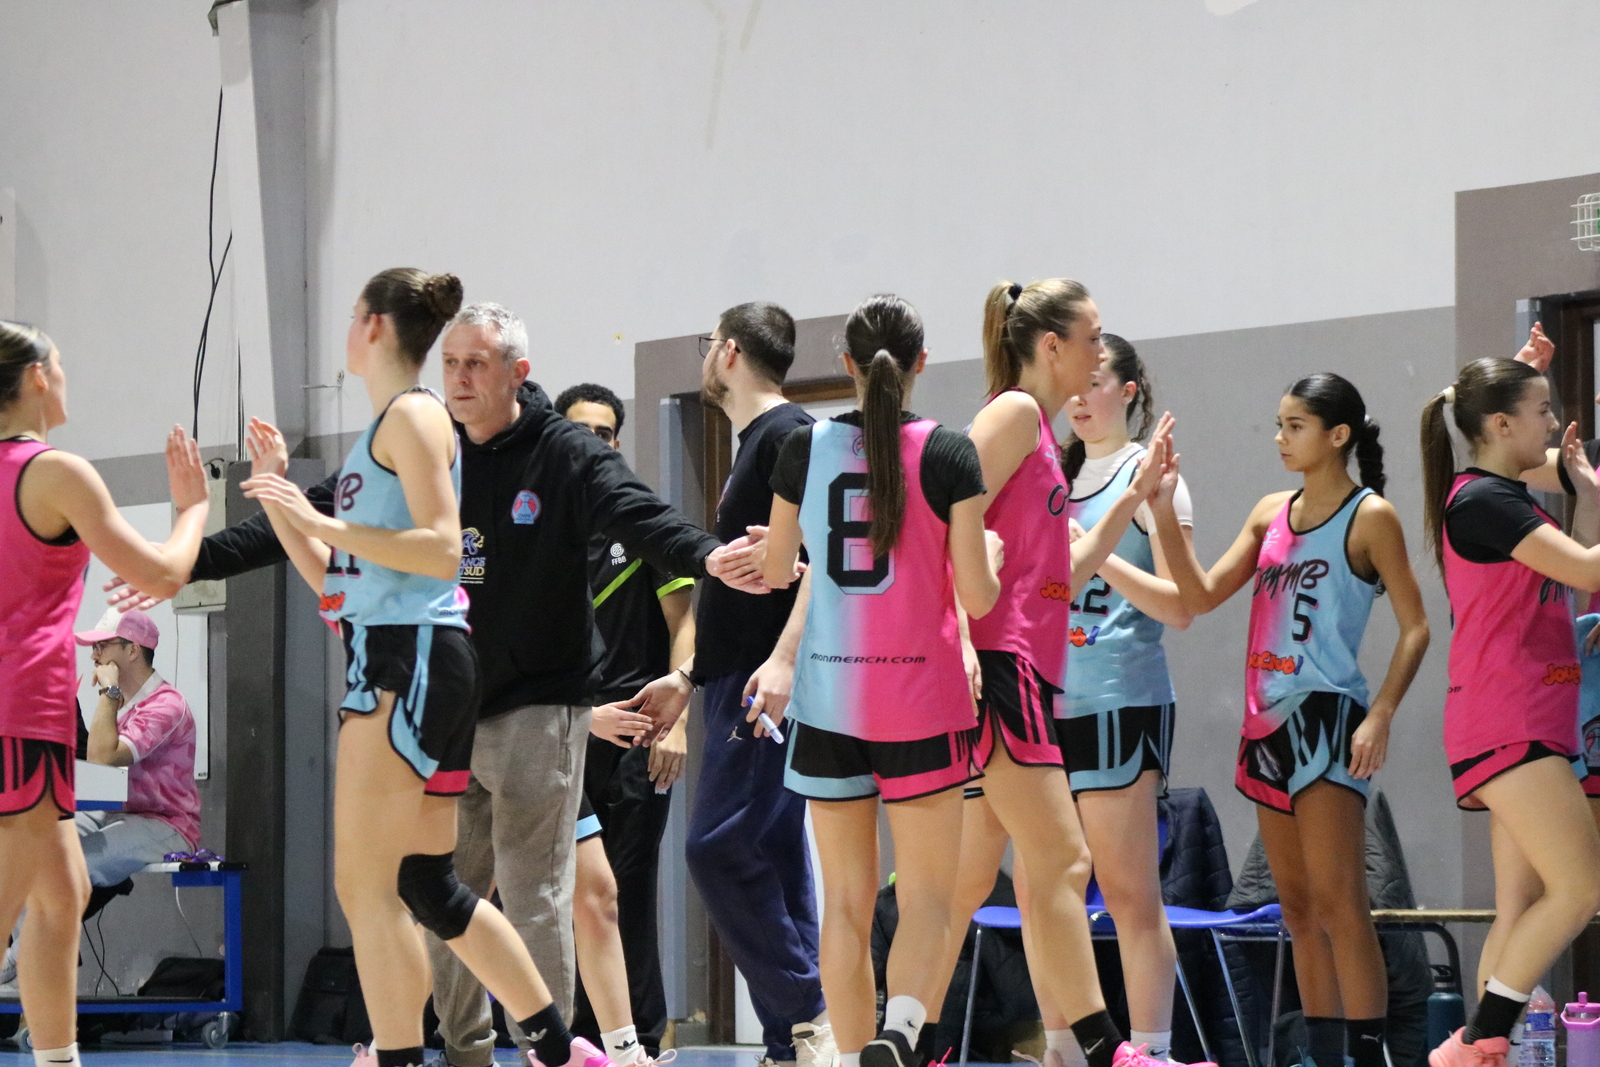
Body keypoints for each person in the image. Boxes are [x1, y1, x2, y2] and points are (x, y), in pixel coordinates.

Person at [128, 301, 761, 1067]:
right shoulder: (427, 447)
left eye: (476, 365)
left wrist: (709, 555)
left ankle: (564, 1048)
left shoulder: (562, 453)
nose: (459, 379)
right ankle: (462, 1048)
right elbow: (297, 524)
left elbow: (643, 514)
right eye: (450, 363)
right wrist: (185, 562)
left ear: (517, 374)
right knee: (439, 890)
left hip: (541, 708)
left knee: (547, 894)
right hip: (450, 706)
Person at [240, 267, 637, 1067]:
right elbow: (338, 581)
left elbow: (441, 549)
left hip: (411, 660)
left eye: (354, 315)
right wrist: (287, 507)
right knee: (426, 885)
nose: (346, 329)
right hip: (403, 654)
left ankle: (404, 1055)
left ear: (376, 326)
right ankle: (556, 1046)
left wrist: (318, 516)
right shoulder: (386, 431)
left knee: (371, 887)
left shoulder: (414, 417)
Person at [933, 279, 1184, 1067]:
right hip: (998, 667)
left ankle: (907, 1037)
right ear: (1051, 346)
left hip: (1028, 671)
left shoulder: (1044, 439)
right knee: (1064, 864)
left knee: (973, 881)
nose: (1099, 351)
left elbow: (1062, 574)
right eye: (1092, 336)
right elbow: (936, 515)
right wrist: (959, 637)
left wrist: (1132, 499)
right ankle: (1109, 1050)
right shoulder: (1012, 414)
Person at [1151, 373, 1430, 1067]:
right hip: (1263, 727)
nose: (1279, 437)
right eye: (1279, 424)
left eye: (1294, 425)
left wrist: (1381, 715)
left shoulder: (1371, 516)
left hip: (1328, 719)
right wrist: (1161, 510)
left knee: (1342, 905)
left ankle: (1370, 1054)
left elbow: (1416, 627)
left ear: (1338, 435)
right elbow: (1200, 595)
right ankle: (1325, 1056)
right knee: (1297, 910)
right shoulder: (1270, 511)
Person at [757, 294, 1002, 1067]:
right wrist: (990, 555)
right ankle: (899, 1033)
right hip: (922, 701)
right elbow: (979, 597)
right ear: (923, 361)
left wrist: (788, 552)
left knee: (845, 904)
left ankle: (855, 1049)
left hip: (830, 702)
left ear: (847, 363)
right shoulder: (950, 451)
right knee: (929, 893)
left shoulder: (803, 446)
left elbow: (775, 569)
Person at [620, 302, 837, 1067]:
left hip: (767, 682)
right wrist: (689, 675)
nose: (706, 356)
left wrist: (783, 660)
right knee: (774, 853)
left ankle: (809, 1011)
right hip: (735, 678)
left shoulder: (788, 435)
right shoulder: (756, 444)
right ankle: (792, 1044)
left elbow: (831, 559)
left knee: (715, 848)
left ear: (732, 351)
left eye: (710, 343)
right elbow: (739, 591)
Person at [0, 319, 209, 1067]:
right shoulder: (55, 471)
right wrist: (193, 508)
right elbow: (162, 574)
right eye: (60, 364)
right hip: (19, 714)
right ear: (37, 377)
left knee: (61, 894)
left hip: (30, 720)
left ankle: (59, 1059)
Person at [1418, 358, 1600, 1067]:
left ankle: (1483, 1050)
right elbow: (1589, 569)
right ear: (1500, 424)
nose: (1553, 424)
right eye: (1542, 409)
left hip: (1533, 719)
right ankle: (1478, 1040)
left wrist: (1587, 490)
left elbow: (1576, 571)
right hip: (1508, 720)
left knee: (1521, 906)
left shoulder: (1507, 498)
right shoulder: (1483, 502)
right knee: (1580, 888)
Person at [1048, 334, 1195, 1064]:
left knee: (1128, 891)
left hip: (1120, 699)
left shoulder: (1150, 475)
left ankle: (1152, 1050)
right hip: (1044, 703)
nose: (1079, 396)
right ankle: (1061, 1049)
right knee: (1051, 891)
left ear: (1129, 391)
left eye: (1097, 380)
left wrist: (1098, 549)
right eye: (1074, 380)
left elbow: (1180, 604)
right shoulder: (1051, 473)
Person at [556, 382, 694, 1064]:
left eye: (606, 433)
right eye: (581, 431)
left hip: (640, 732)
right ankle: (578, 1034)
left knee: (628, 887)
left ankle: (643, 1034)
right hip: (564, 733)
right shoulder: (541, 529)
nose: (594, 443)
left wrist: (677, 724)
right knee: (569, 893)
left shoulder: (642, 520)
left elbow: (685, 621)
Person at [0, 608, 202, 986]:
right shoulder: (126, 707)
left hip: (165, 826)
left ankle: (19, 962)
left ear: (133, 650)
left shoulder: (165, 705)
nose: (94, 656)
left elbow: (101, 758)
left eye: (103, 646)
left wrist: (109, 694)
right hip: (117, 814)